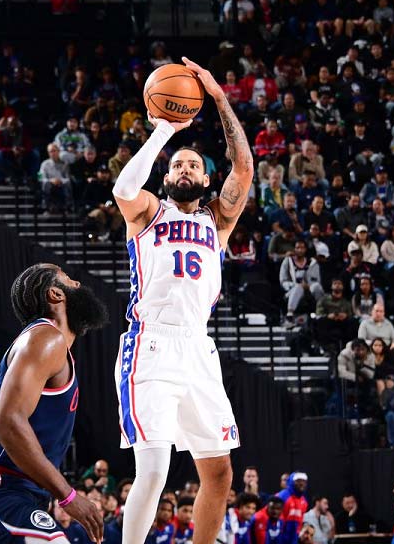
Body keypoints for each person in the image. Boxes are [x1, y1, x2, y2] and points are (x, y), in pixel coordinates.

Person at [110, 57, 253, 544]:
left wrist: (218, 98)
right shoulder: (147, 212)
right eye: (178, 164)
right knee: (153, 473)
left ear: (206, 180)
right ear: (167, 177)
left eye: (194, 164)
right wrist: (163, 134)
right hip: (150, 346)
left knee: (219, 475)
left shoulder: (216, 221)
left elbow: (244, 166)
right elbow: (123, 187)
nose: (185, 167)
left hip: (198, 350)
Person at [0, 263, 108, 544]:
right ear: (56, 295)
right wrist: (69, 496)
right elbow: (7, 424)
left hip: (18, 490)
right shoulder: (46, 338)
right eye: (69, 280)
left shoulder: (50, 345)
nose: (79, 285)